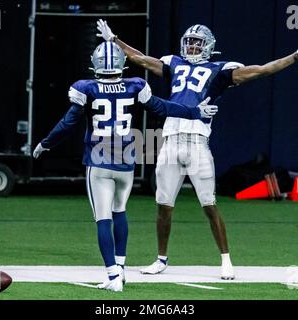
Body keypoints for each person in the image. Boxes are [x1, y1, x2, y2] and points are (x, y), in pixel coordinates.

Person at [96, 19, 298, 279]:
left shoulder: (221, 70)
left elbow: (260, 70)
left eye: (197, 42)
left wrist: (294, 56)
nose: (192, 46)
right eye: (189, 41)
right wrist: (114, 40)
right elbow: (141, 59)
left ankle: (226, 259)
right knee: (163, 205)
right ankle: (161, 258)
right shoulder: (173, 63)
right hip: (170, 140)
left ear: (209, 46)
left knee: (209, 204)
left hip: (197, 144)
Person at [32, 41, 218, 292]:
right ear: (122, 63)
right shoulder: (135, 86)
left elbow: (68, 123)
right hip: (126, 163)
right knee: (120, 211)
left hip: (99, 163)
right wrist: (195, 112)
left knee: (102, 218)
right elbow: (163, 107)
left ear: (95, 63)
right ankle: (120, 269)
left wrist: (45, 143)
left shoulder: (85, 88)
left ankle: (112, 276)